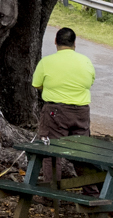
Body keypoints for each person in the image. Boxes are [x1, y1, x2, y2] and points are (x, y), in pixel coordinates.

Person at [32, 26, 96, 180]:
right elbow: (89, 82)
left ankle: (52, 190)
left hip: (55, 112)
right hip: (81, 113)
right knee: (82, 152)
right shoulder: (86, 61)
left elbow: (37, 84)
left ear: (55, 41)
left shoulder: (46, 62)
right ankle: (91, 189)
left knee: (51, 152)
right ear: (74, 43)